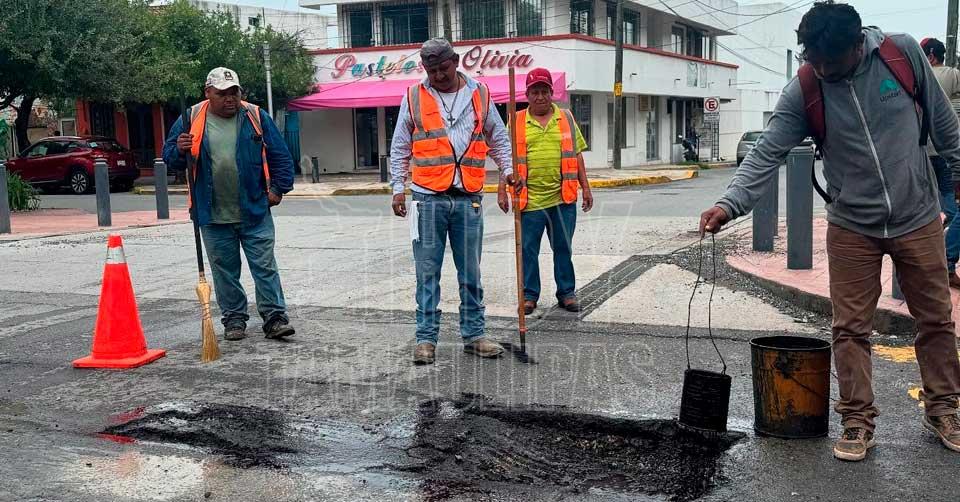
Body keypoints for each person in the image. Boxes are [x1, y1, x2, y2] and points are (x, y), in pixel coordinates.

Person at [699, 1, 960, 461]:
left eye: (831, 63)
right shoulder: (806, 86)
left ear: (859, 45)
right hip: (851, 225)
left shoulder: (900, 55)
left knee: (936, 320)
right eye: (814, 60)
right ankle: (857, 420)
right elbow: (767, 152)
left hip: (917, 215)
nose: (823, 70)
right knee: (850, 328)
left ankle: (944, 408)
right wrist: (729, 203)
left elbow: (943, 121)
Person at [390, 38, 520, 365]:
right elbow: (400, 145)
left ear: (456, 61)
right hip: (426, 199)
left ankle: (474, 335)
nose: (438, 76)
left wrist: (508, 170)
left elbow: (498, 138)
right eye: (431, 70)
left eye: (443, 68)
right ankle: (425, 339)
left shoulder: (480, 94)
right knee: (427, 272)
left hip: (468, 197)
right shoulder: (413, 96)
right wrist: (397, 187)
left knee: (471, 272)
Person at [162, 67, 296, 342]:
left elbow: (281, 154)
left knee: (264, 266)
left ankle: (274, 318)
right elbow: (170, 158)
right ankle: (234, 319)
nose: (230, 99)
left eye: (234, 92)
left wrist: (278, 189)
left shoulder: (255, 116)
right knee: (224, 271)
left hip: (254, 209)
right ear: (208, 93)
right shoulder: (191, 118)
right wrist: (179, 149)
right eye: (222, 94)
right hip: (211, 213)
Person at [496, 68, 593, 315]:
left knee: (563, 248)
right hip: (529, 200)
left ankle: (566, 293)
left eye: (544, 91)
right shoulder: (516, 121)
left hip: (563, 198)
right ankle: (529, 296)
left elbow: (577, 156)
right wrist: (501, 190)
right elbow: (505, 158)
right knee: (528, 250)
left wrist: (586, 187)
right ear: (527, 95)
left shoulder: (566, 118)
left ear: (552, 93)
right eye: (535, 92)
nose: (540, 97)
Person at [920, 37, 960, 287]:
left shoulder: (917, 76)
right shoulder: (952, 75)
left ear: (930, 56)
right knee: (955, 211)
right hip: (947, 155)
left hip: (922, 154)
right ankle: (944, 261)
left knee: (932, 208)